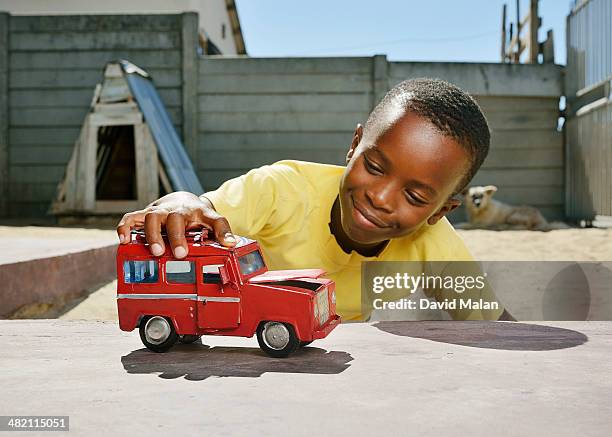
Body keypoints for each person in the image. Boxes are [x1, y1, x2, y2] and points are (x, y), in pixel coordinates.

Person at [117, 78, 514, 322]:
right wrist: (179, 202)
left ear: (441, 210)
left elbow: (494, 323)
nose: (379, 197)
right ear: (354, 146)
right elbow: (204, 209)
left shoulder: (435, 244)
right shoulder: (281, 189)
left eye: (414, 195)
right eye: (374, 167)